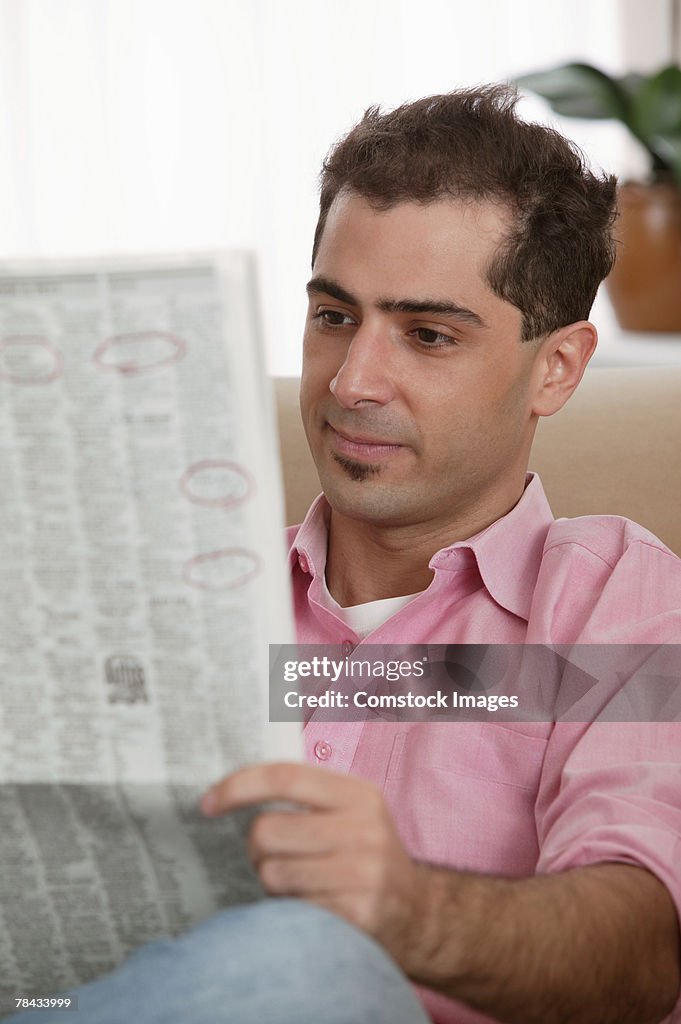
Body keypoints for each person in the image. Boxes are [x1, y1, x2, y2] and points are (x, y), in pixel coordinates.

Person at [9, 86, 681, 1024]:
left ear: (557, 368)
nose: (353, 382)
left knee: (301, 956)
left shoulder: (617, 596)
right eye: (332, 317)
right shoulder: (190, 598)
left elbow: (649, 948)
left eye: (428, 334)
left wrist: (409, 910)